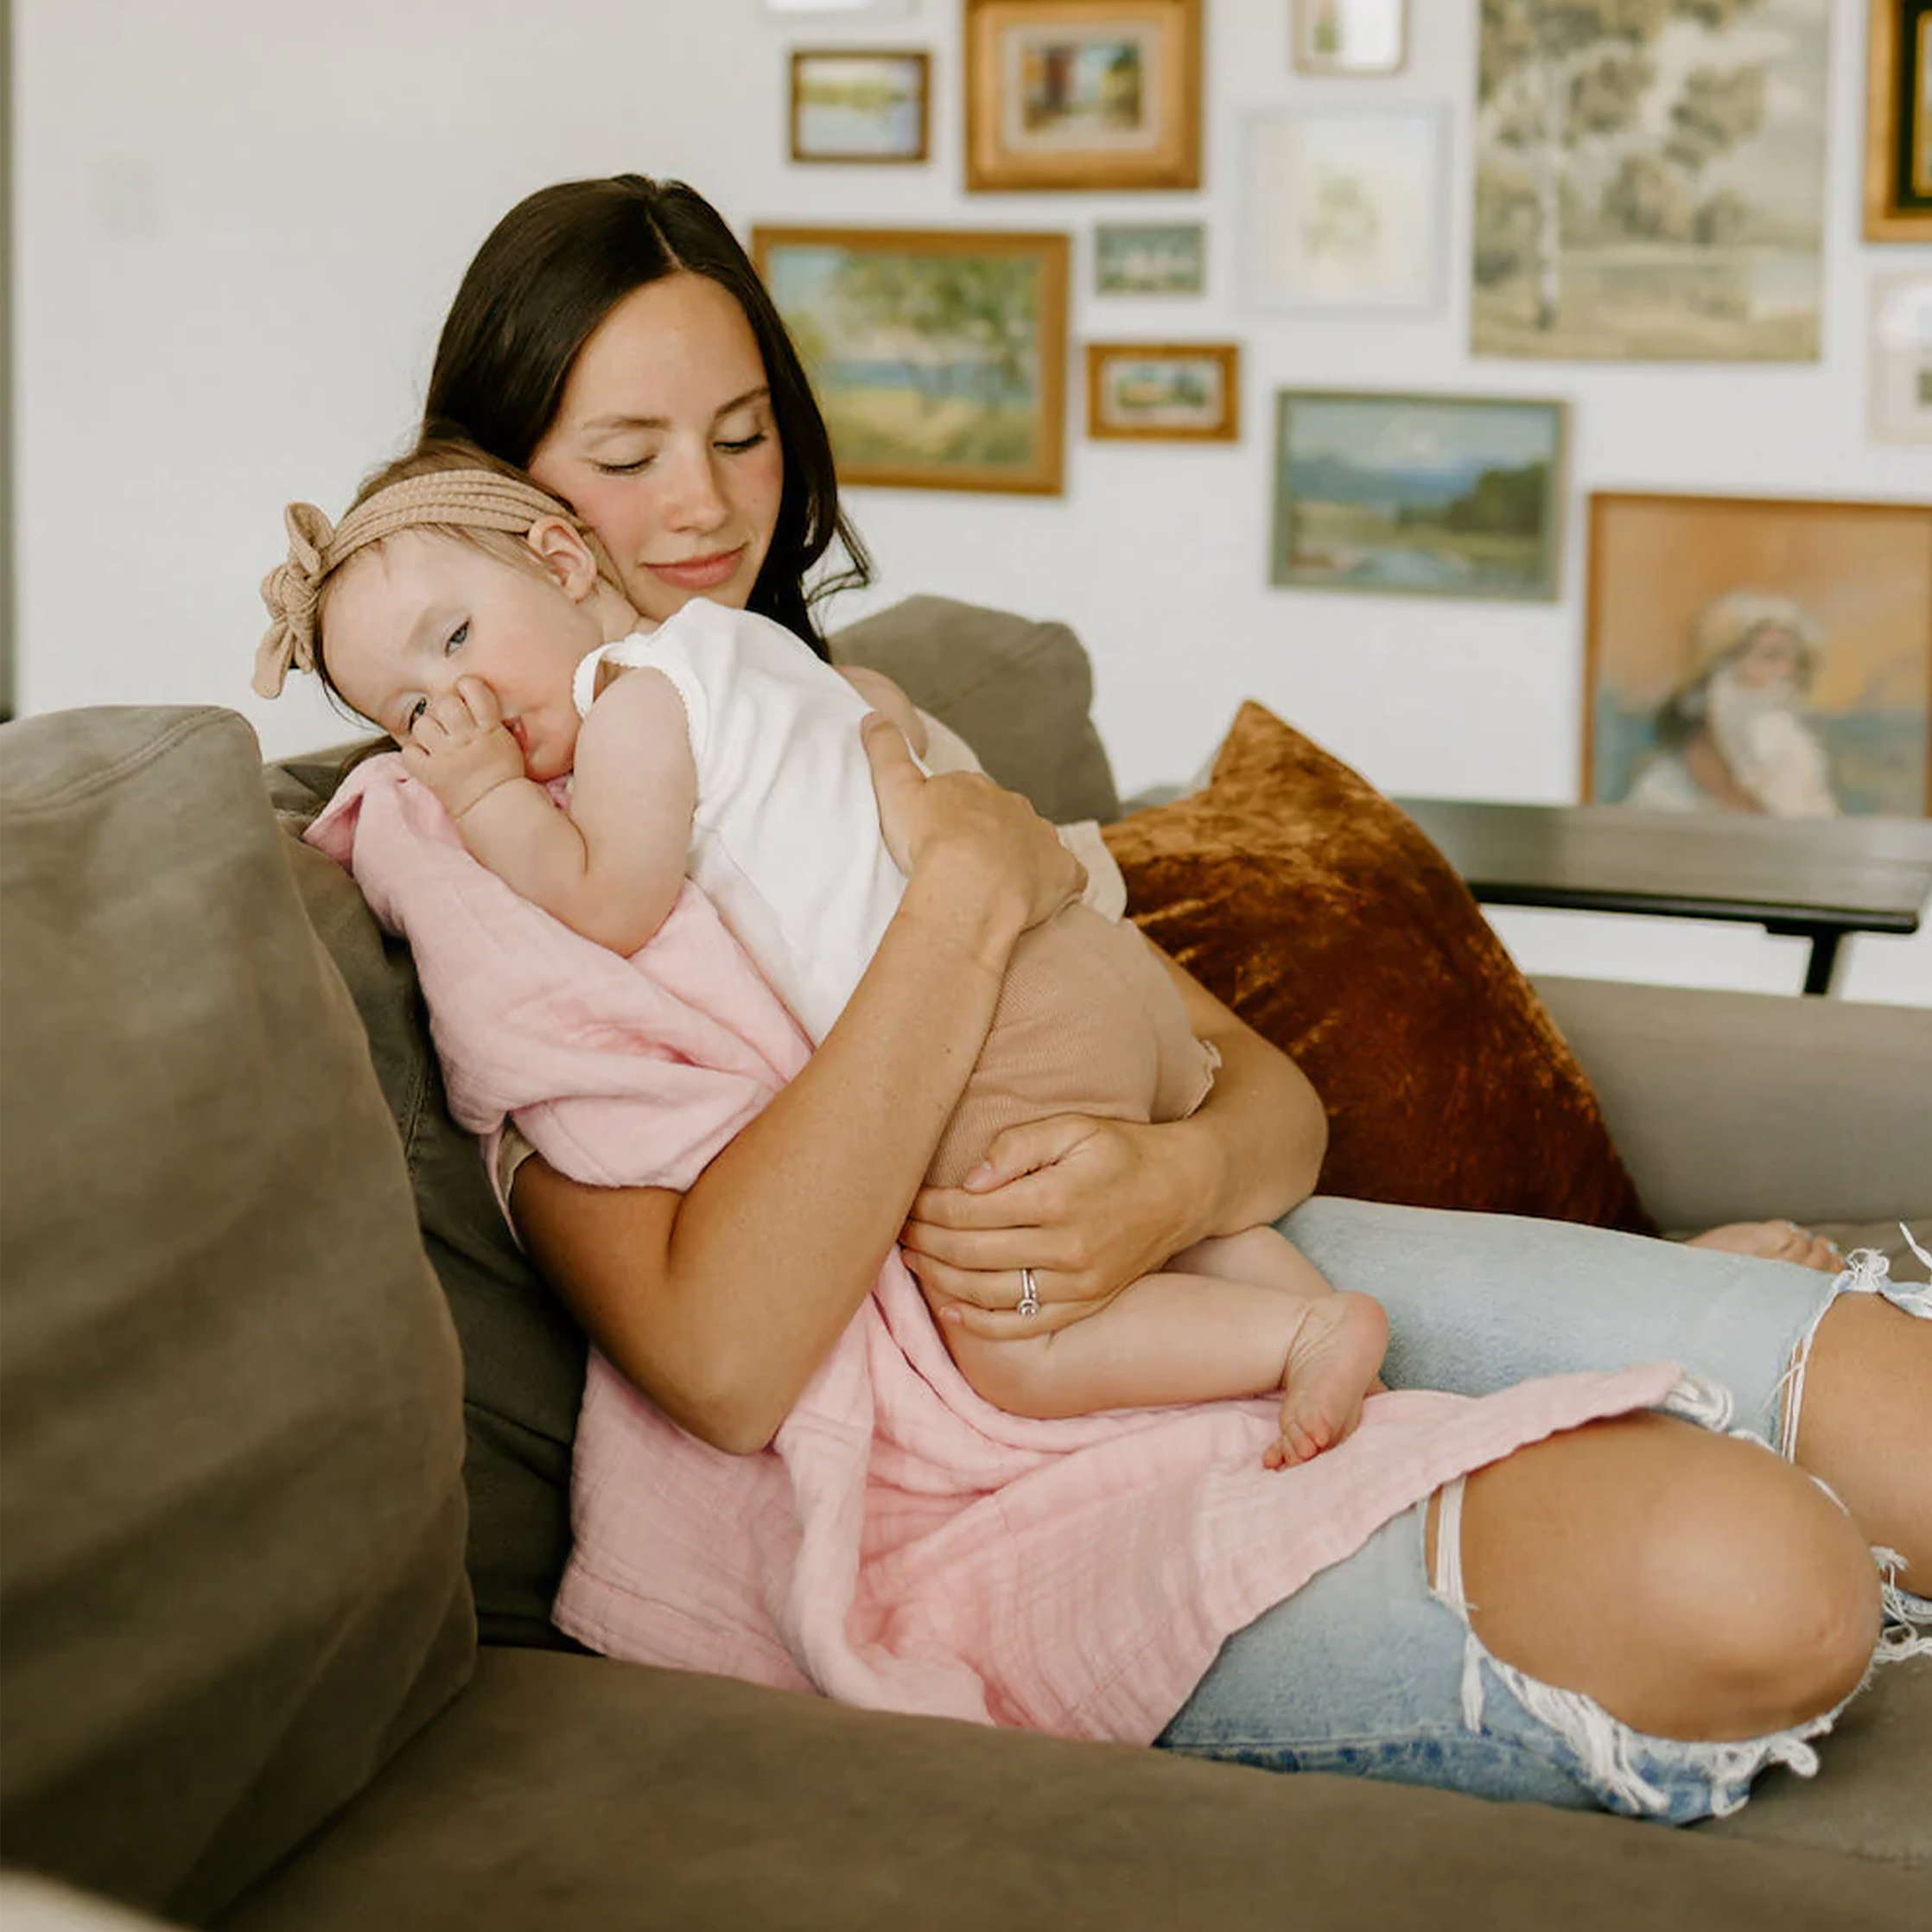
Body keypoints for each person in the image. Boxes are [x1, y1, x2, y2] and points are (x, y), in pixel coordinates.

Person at [328, 171, 1932, 1822]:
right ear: (498, 488)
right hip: (984, 1448)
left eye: (745, 434)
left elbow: (1258, 1091)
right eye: (627, 453)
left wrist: (1162, 1179)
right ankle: (1597, 1383)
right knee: (1766, 1581)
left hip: (1195, 1254)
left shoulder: (830, 710)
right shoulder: (477, 841)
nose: (708, 505)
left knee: (1909, 1416)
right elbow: (724, 1362)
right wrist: (958, 909)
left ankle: (1623, 1326)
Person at [254, 438, 1389, 1469]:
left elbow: (612, 902)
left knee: (1010, 1338)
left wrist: (493, 793)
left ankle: (1301, 1330)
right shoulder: (755, 655)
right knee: (1152, 1234)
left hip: (999, 1024)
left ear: (560, 561)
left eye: (455, 641)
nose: (456, 710)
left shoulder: (639, 705)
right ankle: (1313, 1327)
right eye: (409, 713)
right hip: (1092, 969)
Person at [1624, 591, 1839, 817]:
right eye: (1771, 656)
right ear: (1724, 664)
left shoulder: (1796, 751)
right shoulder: (1667, 784)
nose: (1788, 672)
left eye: (1798, 662)